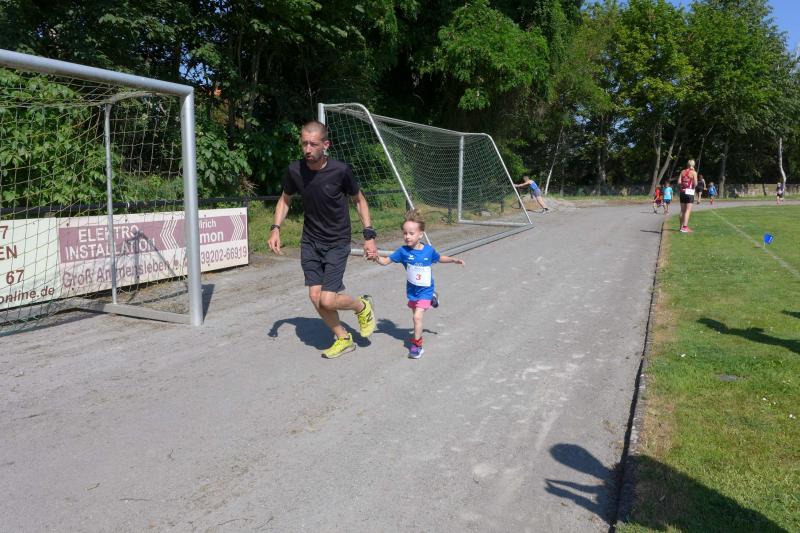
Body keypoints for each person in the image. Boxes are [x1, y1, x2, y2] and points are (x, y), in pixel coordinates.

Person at [268, 120, 378, 359]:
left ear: (325, 145)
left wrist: (368, 235)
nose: (307, 149)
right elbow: (285, 199)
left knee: (327, 301)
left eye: (313, 144)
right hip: (310, 241)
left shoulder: (341, 170)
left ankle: (362, 306)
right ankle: (343, 338)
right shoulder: (295, 170)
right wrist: (276, 228)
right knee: (315, 296)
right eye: (304, 144)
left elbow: (359, 200)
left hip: (337, 241)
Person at [372, 209, 465, 359]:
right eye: (405, 233)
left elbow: (439, 258)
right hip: (413, 291)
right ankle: (433, 299)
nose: (407, 236)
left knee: (417, 317)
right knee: (415, 317)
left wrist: (453, 259)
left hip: (425, 290)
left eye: (411, 233)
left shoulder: (428, 251)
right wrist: (376, 257)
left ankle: (417, 346)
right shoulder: (402, 252)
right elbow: (385, 261)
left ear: (420, 234)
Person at [678, 159, 698, 233]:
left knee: (682, 210)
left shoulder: (682, 171)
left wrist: (684, 185)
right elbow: (695, 184)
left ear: (687, 164)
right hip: (689, 192)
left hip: (682, 192)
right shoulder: (694, 172)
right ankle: (685, 228)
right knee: (688, 210)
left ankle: (681, 227)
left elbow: (679, 182)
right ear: (693, 165)